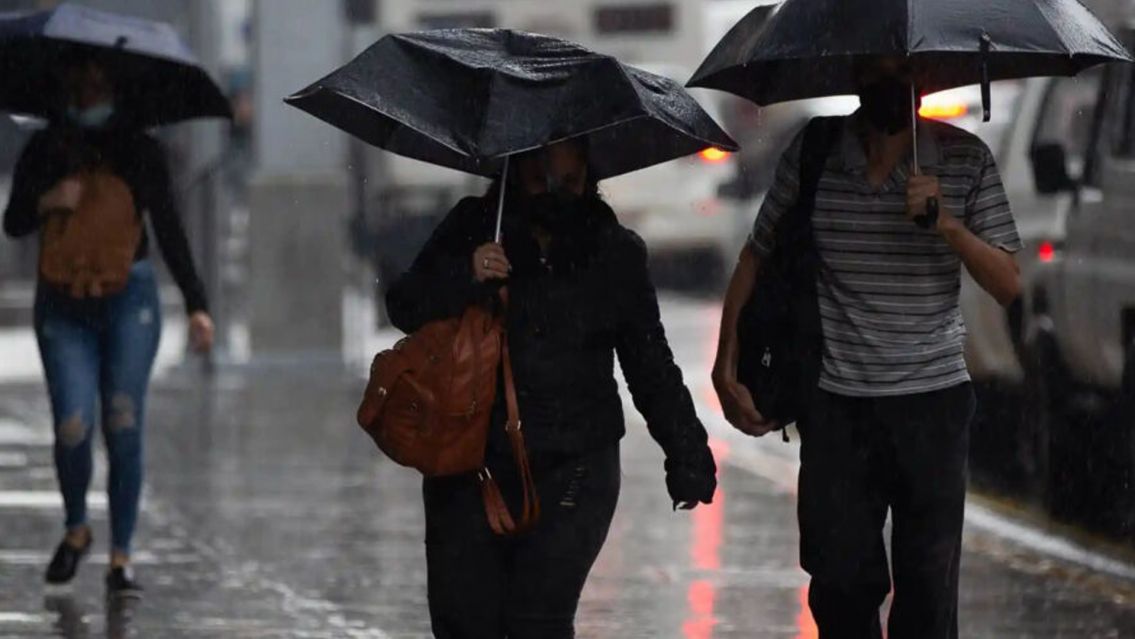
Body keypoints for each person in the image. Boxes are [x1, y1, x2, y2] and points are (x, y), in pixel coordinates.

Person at [712, 57, 1021, 639]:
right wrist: (726, 357)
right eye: (875, 69)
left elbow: (1008, 283)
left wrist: (946, 225)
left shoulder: (964, 159)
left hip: (932, 406)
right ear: (854, 76)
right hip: (836, 408)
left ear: (922, 80)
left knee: (928, 597)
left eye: (901, 70)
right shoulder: (816, 151)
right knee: (838, 588)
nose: (889, 83)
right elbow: (757, 252)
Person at [386, 139, 718, 638]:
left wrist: (687, 451)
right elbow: (405, 305)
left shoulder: (613, 251)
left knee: (538, 621)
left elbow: (649, 363)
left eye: (569, 181)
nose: (555, 192)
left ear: (588, 172)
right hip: (470, 459)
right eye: (541, 179)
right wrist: (467, 274)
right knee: (464, 620)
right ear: (515, 169)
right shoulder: (476, 226)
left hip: (575, 464)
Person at [2, 57, 215, 599]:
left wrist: (196, 303)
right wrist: (51, 198)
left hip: (128, 302)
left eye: (99, 83)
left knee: (123, 421)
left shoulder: (141, 150)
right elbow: (14, 222)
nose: (90, 91)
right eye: (81, 82)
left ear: (116, 90)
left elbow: (167, 225)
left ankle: (122, 554)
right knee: (72, 422)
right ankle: (77, 527)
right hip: (63, 303)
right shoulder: (47, 148)